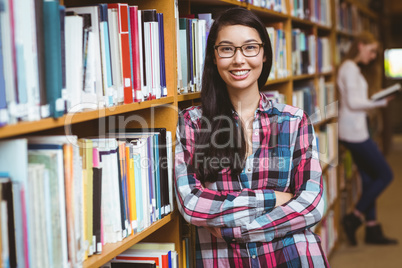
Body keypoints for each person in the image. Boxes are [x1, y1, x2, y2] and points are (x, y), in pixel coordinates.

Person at [174, 7, 329, 267]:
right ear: (214, 57)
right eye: (226, 49)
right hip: (225, 260)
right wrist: (276, 198)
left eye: (249, 48)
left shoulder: (294, 120)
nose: (238, 59)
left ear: (264, 54)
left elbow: (312, 205)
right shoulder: (192, 123)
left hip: (291, 257)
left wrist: (235, 230)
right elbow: (191, 204)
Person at [337, 31, 398, 246]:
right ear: (360, 45)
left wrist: (375, 97)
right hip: (354, 133)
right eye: (371, 51)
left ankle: (372, 228)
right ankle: (354, 217)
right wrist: (379, 102)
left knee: (370, 178)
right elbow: (354, 103)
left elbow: (356, 100)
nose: (373, 56)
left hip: (354, 129)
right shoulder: (350, 69)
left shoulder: (351, 68)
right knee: (385, 174)